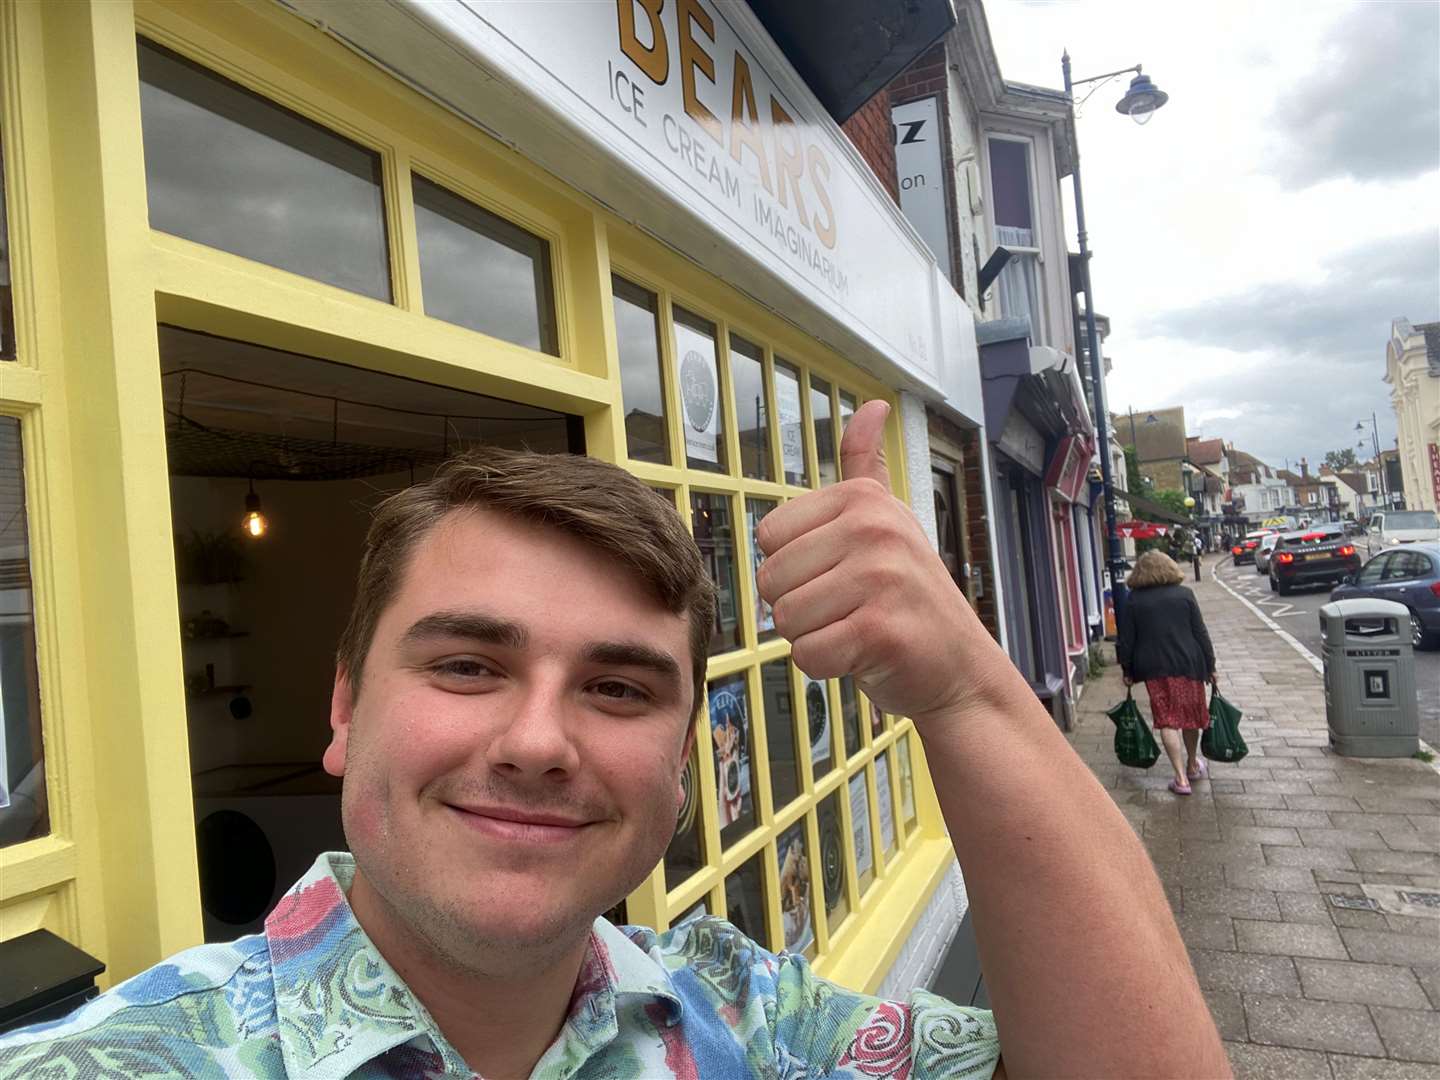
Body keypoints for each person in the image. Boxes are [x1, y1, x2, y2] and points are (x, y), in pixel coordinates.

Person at [0, 403, 1228, 1078]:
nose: (539, 741)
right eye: (469, 665)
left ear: (684, 758)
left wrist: (964, 690)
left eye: (621, 689)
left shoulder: (745, 1016)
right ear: (343, 709)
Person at [1117, 549, 1219, 796]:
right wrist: (1211, 665)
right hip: (1189, 664)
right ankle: (1193, 764)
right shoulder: (1185, 595)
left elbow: (1126, 640)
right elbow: (1200, 633)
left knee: (1167, 719)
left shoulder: (1134, 600)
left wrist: (1127, 669)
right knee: (1191, 716)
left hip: (1156, 669)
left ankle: (1180, 778)